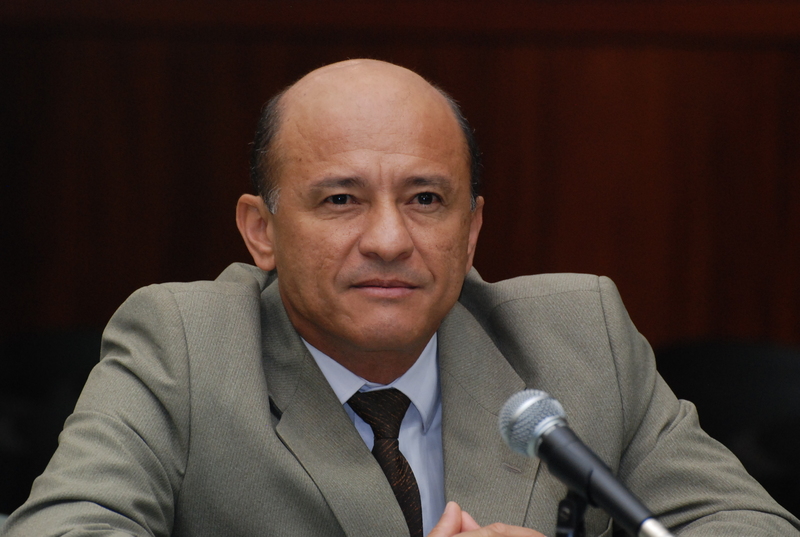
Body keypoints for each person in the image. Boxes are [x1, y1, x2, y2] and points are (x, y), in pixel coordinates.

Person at [2, 59, 798, 537]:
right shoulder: (182, 345)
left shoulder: (580, 335)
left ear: (471, 229)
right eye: (341, 199)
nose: (389, 238)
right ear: (261, 231)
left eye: (424, 199)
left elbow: (754, 525)